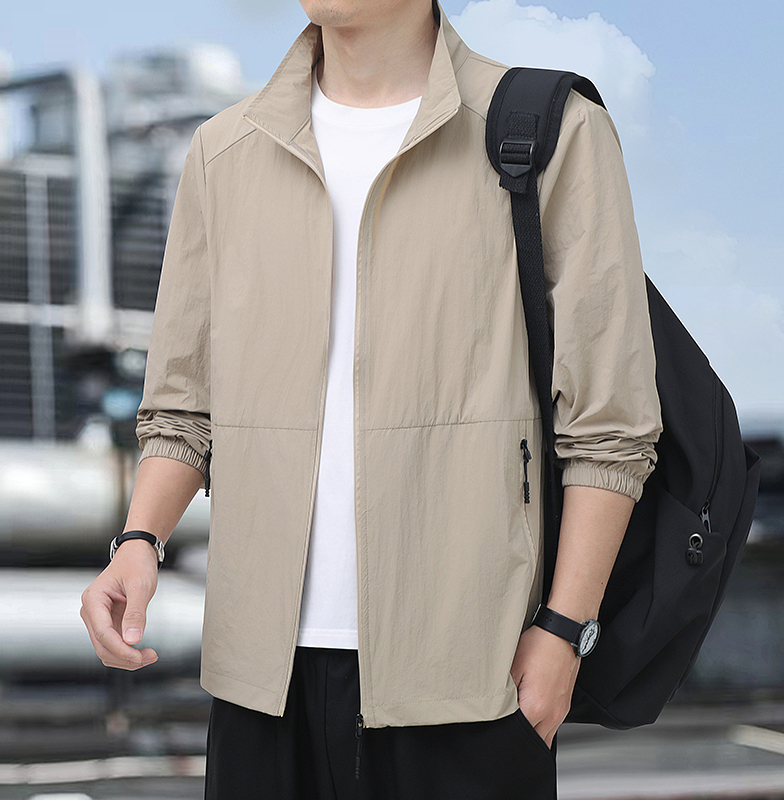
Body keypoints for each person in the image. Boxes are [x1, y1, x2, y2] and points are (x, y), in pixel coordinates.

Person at [80, 0, 662, 797]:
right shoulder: (225, 151)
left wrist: (565, 631)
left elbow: (609, 423)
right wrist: (138, 539)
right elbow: (182, 406)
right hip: (261, 682)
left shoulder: (552, 131)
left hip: (471, 674)